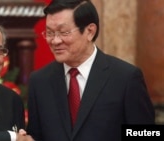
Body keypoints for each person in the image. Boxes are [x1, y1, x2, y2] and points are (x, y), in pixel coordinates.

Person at [26, 0, 155, 141]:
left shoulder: (126, 78)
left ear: (90, 31)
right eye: (50, 33)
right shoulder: (39, 81)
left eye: (64, 32)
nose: (55, 41)